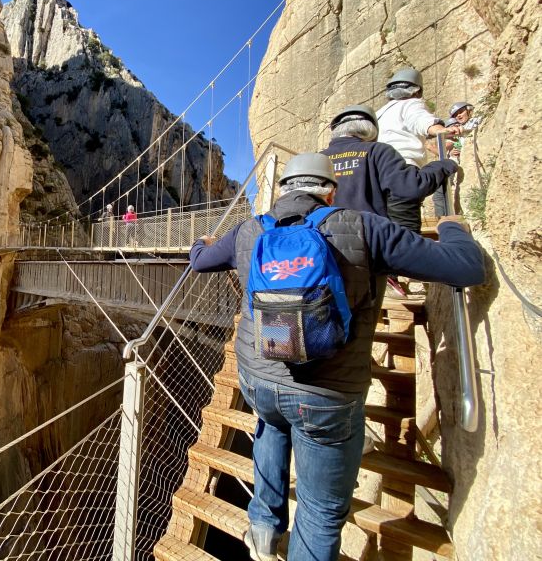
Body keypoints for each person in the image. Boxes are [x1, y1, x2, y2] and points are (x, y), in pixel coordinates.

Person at [188, 153, 484, 561]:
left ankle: (262, 530)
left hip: (259, 378)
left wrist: (198, 243)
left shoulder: (248, 231)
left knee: (271, 426)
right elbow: (465, 267)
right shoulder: (364, 227)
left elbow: (201, 262)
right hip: (326, 396)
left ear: (283, 189)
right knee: (321, 510)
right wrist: (452, 228)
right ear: (330, 191)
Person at [321, 104, 458, 218]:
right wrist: (444, 165)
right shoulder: (377, 151)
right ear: (371, 129)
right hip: (369, 237)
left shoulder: (316, 159)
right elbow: (410, 187)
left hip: (322, 241)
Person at [376, 68, 461, 233]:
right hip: (401, 170)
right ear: (417, 90)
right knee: (405, 234)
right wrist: (437, 129)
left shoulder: (379, 113)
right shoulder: (411, 103)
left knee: (384, 232)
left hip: (377, 174)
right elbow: (419, 119)